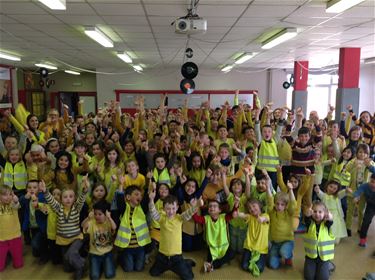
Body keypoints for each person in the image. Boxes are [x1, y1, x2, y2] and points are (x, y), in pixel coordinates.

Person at [41, 176, 89, 280]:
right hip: (63, 240)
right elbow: (51, 201)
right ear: (61, 199)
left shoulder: (76, 208)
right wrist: (45, 191)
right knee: (67, 268)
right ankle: (83, 261)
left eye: (71, 196)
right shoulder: (58, 208)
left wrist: (85, 190)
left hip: (76, 238)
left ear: (74, 198)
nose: (68, 199)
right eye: (65, 197)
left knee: (71, 255)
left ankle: (82, 265)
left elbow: (81, 199)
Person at [148, 190, 198, 280]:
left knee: (189, 278)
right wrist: (151, 200)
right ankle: (183, 263)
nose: (171, 211)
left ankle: (186, 263)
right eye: (168, 209)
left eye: (173, 208)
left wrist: (196, 206)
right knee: (153, 273)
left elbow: (188, 214)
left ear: (177, 207)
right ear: (164, 209)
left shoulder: (179, 218)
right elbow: (153, 213)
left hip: (176, 258)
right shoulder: (162, 218)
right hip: (162, 256)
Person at [192, 199, 236, 273]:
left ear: (219, 210)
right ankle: (210, 264)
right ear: (208, 210)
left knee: (232, 254)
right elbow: (196, 219)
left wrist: (236, 206)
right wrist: (193, 207)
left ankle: (213, 265)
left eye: (214, 206)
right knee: (209, 257)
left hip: (224, 246)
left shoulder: (224, 217)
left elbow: (233, 214)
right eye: (210, 206)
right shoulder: (206, 218)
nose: (212, 208)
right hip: (212, 246)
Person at [114, 185, 151, 272]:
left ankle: (136, 258)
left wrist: (150, 189)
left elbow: (146, 199)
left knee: (139, 268)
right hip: (128, 247)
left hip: (140, 247)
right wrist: (121, 184)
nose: (139, 197)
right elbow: (119, 200)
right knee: (128, 269)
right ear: (128, 197)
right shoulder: (124, 208)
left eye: (140, 195)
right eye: (136, 194)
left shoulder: (141, 208)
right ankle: (121, 256)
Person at [82, 200, 116, 280]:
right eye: (95, 214)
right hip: (94, 254)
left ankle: (105, 264)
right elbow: (83, 225)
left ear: (106, 214)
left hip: (107, 253)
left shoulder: (108, 222)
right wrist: (88, 218)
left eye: (100, 214)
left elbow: (114, 227)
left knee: (110, 274)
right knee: (94, 277)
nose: (97, 216)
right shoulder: (92, 222)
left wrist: (109, 218)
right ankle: (100, 265)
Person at [267, 180, 296, 269]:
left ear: (286, 205)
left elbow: (293, 203)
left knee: (284, 252)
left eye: (282, 205)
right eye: (277, 204)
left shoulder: (289, 212)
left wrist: (290, 190)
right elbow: (270, 200)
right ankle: (279, 253)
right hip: (275, 243)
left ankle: (288, 255)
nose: (279, 207)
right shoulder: (272, 212)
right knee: (272, 265)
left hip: (287, 241)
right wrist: (268, 188)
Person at [237, 198, 269, 277]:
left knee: (259, 268)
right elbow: (240, 215)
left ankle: (259, 259)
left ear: (260, 206)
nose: (252, 209)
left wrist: (261, 219)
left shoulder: (265, 215)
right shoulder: (250, 217)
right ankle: (252, 260)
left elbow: (266, 219)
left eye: (254, 206)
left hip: (261, 248)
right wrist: (237, 204)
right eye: (250, 208)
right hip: (249, 246)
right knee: (244, 266)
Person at [303, 201, 335, 280]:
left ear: (324, 213)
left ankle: (329, 265)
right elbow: (306, 218)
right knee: (309, 277)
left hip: (323, 258)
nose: (317, 214)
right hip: (311, 257)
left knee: (322, 278)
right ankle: (314, 267)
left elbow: (330, 221)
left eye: (320, 212)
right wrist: (307, 214)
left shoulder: (326, 224)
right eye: (314, 211)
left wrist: (330, 217)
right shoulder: (309, 223)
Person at [0, 185, 23, 271]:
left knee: (18, 264)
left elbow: (16, 205)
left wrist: (16, 200)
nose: (8, 197)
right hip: (1, 239)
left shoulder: (13, 203)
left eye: (10, 194)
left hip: (15, 236)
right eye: (5, 194)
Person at [353, 171, 375, 247]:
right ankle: (362, 240)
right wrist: (356, 196)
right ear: (369, 179)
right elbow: (358, 191)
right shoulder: (365, 186)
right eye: (372, 182)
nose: (373, 185)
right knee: (366, 222)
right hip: (371, 206)